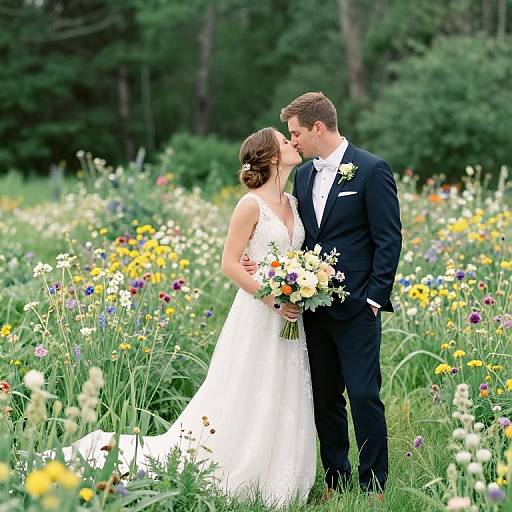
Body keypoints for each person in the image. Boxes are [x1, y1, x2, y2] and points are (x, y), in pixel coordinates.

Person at [43, 127, 316, 506]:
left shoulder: (294, 203)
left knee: (283, 389)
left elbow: (291, 256)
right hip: (260, 312)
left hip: (291, 314)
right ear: (271, 157)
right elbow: (229, 264)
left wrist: (302, 283)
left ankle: (280, 470)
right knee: (247, 388)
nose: (293, 144)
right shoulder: (249, 205)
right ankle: (239, 467)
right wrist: (271, 298)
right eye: (285, 141)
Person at [243, 92, 402, 498]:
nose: (291, 141)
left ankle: (374, 485)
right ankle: (335, 478)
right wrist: (263, 269)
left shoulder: (371, 170)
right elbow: (298, 237)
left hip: (358, 307)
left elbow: (388, 239)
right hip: (312, 307)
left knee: (365, 395)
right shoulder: (305, 175)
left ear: (317, 128)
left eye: (295, 133)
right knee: (325, 398)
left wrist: (373, 298)